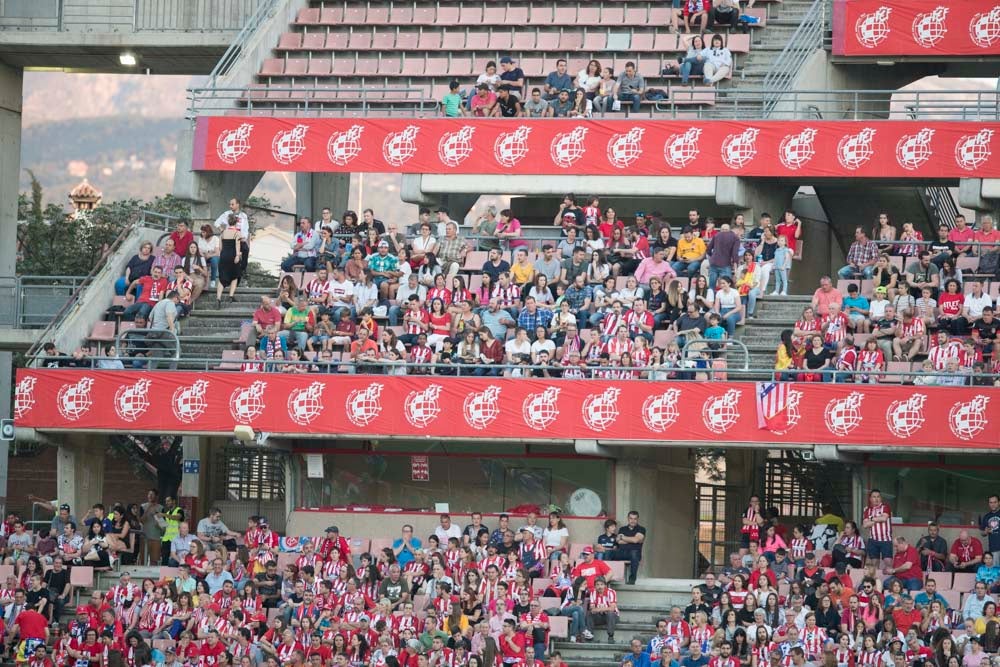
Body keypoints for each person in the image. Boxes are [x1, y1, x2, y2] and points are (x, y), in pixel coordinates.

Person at [216, 214, 243, 306]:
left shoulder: (223, 233)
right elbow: (237, 245)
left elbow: (220, 247)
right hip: (232, 256)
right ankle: (230, 296)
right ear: (236, 222)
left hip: (223, 256)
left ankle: (218, 298)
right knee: (234, 276)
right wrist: (237, 256)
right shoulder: (237, 233)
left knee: (222, 278)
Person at [616, 511, 646, 585]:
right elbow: (618, 541)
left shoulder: (641, 529)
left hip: (634, 554)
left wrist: (623, 537)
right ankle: (607, 578)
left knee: (634, 553)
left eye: (635, 519)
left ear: (637, 519)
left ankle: (632, 579)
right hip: (622, 553)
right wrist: (632, 540)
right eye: (631, 518)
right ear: (628, 519)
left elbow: (635, 540)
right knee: (608, 553)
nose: (633, 521)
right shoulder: (622, 529)